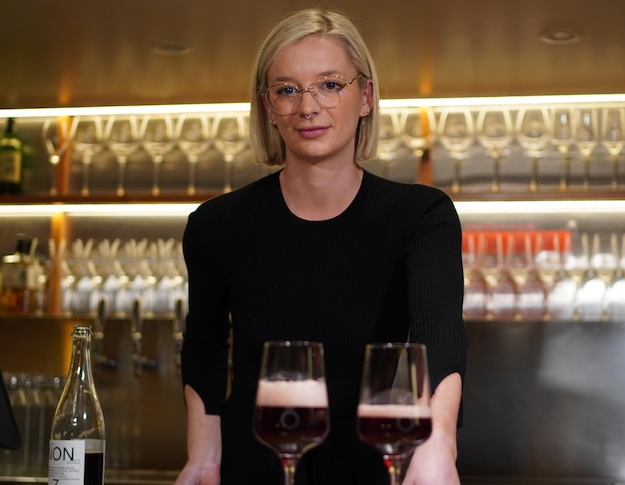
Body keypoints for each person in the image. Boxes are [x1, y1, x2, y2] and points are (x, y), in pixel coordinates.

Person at [175, 7, 467, 485]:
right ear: (268, 106)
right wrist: (203, 458)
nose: (308, 106)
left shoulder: (420, 216)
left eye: (331, 84)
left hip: (378, 464)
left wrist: (439, 445)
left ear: (366, 95)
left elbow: (439, 331)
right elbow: (206, 349)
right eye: (287, 89)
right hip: (258, 466)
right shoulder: (217, 225)